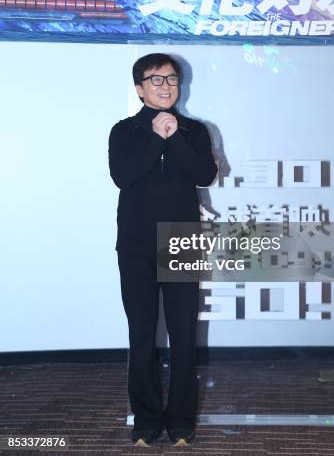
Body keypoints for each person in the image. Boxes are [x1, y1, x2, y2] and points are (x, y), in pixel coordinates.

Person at [108, 53, 218, 446]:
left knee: (184, 335)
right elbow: (123, 176)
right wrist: (156, 137)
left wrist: (174, 137)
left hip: (180, 239)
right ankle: (146, 422)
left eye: (172, 79)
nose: (166, 86)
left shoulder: (194, 130)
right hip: (136, 243)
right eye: (156, 80)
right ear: (139, 89)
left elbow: (205, 174)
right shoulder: (125, 131)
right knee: (141, 335)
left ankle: (182, 423)